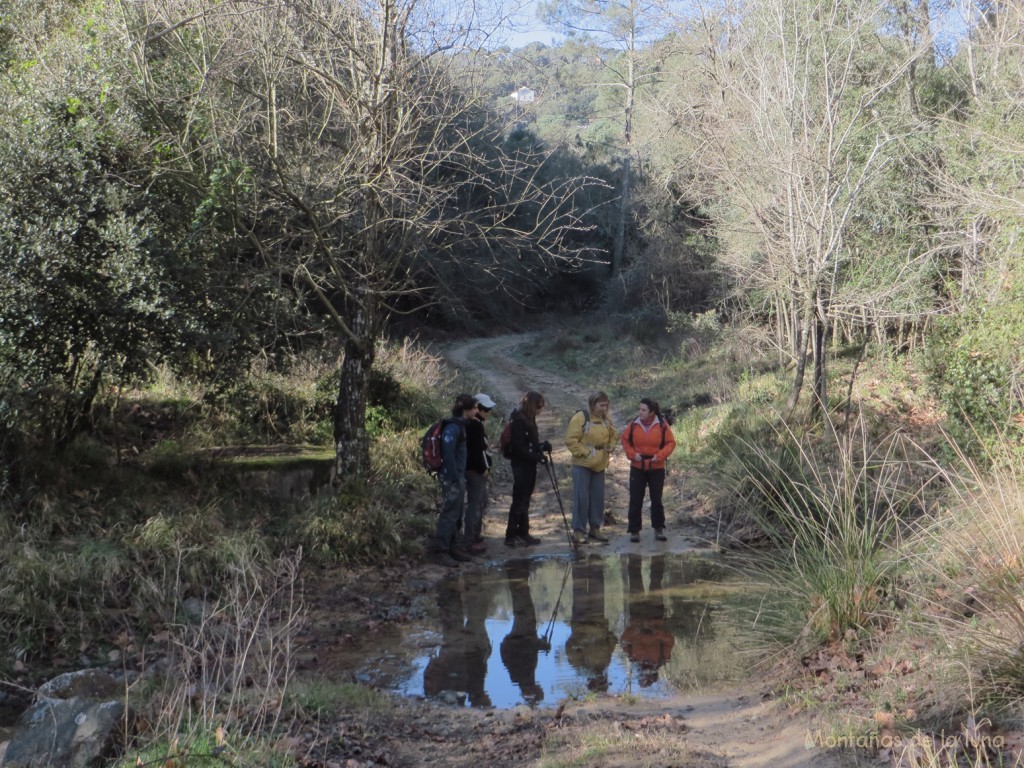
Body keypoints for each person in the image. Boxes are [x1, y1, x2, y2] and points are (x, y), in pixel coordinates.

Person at [429, 393, 479, 566]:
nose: (477, 410)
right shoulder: (453, 427)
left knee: (457, 513)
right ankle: (440, 550)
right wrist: (453, 476)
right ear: (466, 409)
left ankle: (453, 547)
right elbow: (448, 452)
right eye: (475, 407)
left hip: (457, 475)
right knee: (450, 513)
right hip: (452, 477)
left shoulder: (460, 425)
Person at [620, 397, 676, 543]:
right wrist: (632, 455)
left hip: (656, 467)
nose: (640, 412)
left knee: (656, 499)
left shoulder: (662, 425)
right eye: (639, 409)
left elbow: (671, 443)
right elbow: (625, 440)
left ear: (651, 412)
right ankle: (634, 531)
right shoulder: (634, 424)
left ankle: (659, 529)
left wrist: (659, 456)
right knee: (635, 499)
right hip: (637, 467)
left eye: (643, 410)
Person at [565, 391, 617, 545]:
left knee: (597, 498)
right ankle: (578, 531)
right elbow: (570, 440)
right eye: (601, 405)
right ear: (592, 404)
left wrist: (611, 447)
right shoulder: (580, 418)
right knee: (581, 498)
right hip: (582, 464)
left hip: (600, 464)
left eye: (606, 405)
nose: (604, 408)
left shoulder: (606, 419)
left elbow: (615, 434)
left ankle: (595, 528)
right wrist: (587, 454)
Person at [504, 390, 551, 547]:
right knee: (519, 498)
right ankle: (511, 535)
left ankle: (523, 532)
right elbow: (518, 447)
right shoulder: (519, 419)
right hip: (521, 464)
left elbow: (530, 442)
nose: (541, 410)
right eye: (539, 406)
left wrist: (541, 447)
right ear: (532, 405)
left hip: (528, 463)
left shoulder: (529, 418)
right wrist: (536, 455)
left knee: (525, 498)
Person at [462, 392, 496, 555]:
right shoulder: (475, 426)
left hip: (471, 470)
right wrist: (483, 469)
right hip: (475, 471)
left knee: (479, 503)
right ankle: (470, 540)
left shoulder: (469, 424)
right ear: (478, 409)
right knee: (475, 506)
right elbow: (478, 451)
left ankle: (474, 535)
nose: (488, 413)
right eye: (486, 409)